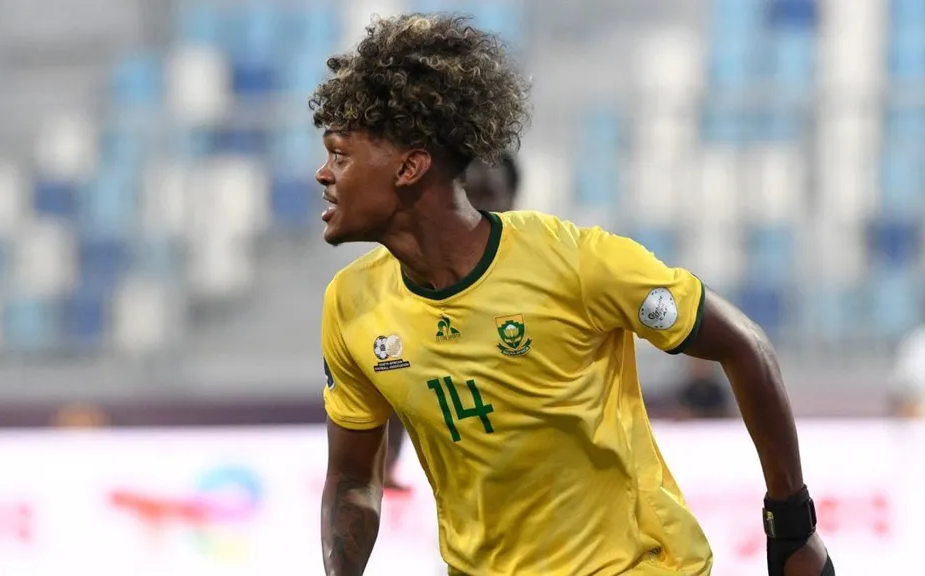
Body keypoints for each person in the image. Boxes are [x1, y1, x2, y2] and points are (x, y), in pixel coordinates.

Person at [312, 13, 832, 576]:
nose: (322, 173)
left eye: (340, 155)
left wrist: (792, 525)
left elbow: (744, 344)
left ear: (410, 167)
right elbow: (351, 478)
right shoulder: (351, 304)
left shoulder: (575, 262)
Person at [383, 151, 521, 490]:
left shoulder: (548, 279)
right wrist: (383, 463)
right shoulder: (408, 292)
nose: (474, 212)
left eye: (487, 197)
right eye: (467, 196)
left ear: (512, 201)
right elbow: (393, 375)